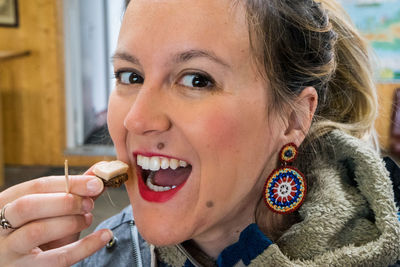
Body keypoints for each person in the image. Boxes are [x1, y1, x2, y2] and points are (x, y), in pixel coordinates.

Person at [1, 0, 400, 266]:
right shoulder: (97, 254)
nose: (136, 120)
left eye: (196, 80)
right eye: (131, 75)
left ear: (294, 118)